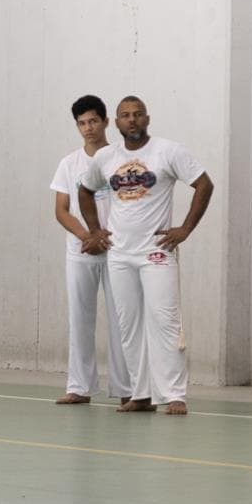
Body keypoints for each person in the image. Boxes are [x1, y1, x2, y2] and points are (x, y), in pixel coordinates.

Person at [77, 97, 214, 415]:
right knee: (129, 325)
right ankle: (140, 394)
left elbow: (204, 185)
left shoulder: (168, 151)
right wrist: (95, 231)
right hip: (119, 255)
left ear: (147, 119)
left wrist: (186, 229)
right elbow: (84, 190)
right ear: (117, 122)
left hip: (156, 253)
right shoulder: (105, 157)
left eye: (138, 115)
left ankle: (174, 394)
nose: (132, 120)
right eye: (125, 116)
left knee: (164, 321)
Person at [50, 95, 132, 406]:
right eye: (82, 123)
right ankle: (79, 387)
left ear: (106, 121)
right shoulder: (68, 164)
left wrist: (105, 237)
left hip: (118, 250)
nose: (88, 128)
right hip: (81, 251)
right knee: (80, 318)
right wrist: (88, 236)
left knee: (121, 318)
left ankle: (127, 389)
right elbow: (61, 210)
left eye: (93, 121)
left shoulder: (121, 158)